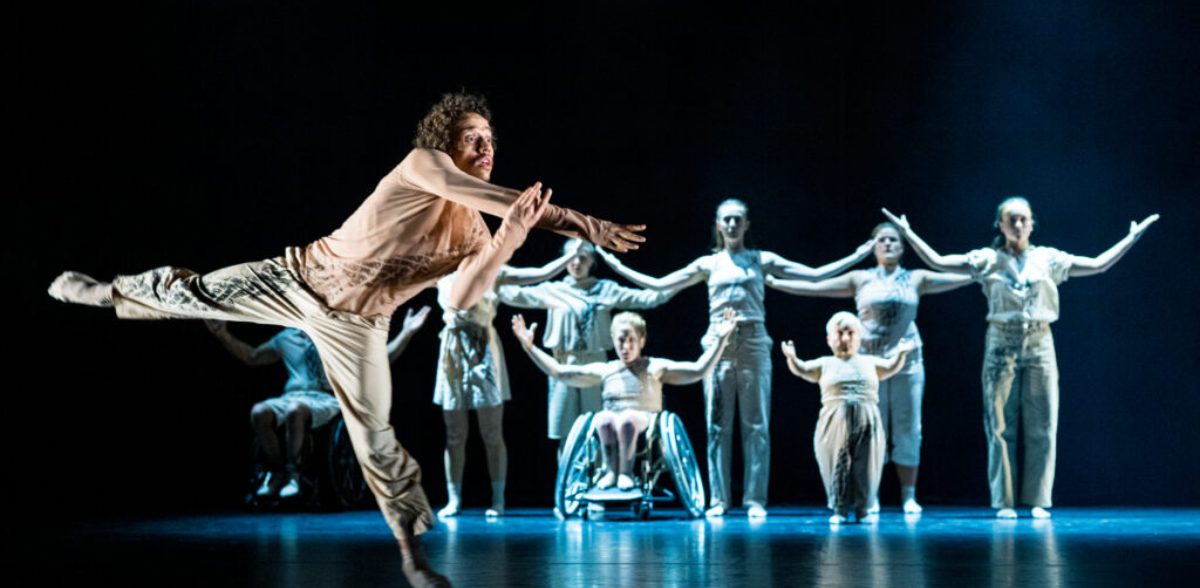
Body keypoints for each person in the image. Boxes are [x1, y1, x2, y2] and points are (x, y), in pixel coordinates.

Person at [47, 92, 645, 587]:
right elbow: (509, 202)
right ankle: (106, 292)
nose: (486, 148)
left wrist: (509, 239)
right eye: (473, 137)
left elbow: (462, 298)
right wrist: (583, 223)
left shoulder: (475, 230)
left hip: (358, 325)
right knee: (197, 292)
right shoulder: (423, 164)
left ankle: (412, 559)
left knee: (374, 433)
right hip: (299, 279)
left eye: (490, 138)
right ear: (446, 142)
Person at [882, 200, 1158, 519]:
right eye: (1010, 220)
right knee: (999, 424)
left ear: (1031, 224)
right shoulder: (988, 259)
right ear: (999, 224)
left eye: (1022, 220)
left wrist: (1131, 237)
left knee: (1043, 421)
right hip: (1002, 339)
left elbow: (1097, 264)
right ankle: (1005, 501)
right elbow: (940, 262)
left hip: (1040, 339)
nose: (1017, 225)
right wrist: (908, 233)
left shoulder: (1047, 258)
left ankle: (1039, 498)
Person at [597, 198, 872, 518]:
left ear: (746, 224)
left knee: (756, 425)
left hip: (753, 342)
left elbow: (813, 275)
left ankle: (755, 499)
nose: (731, 225)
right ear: (717, 224)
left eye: (737, 219)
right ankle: (719, 499)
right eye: (725, 220)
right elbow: (659, 284)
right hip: (719, 344)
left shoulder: (759, 259)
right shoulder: (709, 264)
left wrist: (859, 255)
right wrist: (614, 263)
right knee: (717, 426)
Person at [764, 222, 972, 514]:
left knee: (908, 426)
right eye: (882, 240)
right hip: (864, 362)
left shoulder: (916, 279)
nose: (887, 244)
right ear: (873, 247)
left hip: (906, 358)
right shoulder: (860, 279)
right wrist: (775, 283)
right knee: (867, 427)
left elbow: (959, 277)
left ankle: (908, 495)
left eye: (893, 240)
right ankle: (868, 494)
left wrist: (983, 270)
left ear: (903, 246)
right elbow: (814, 287)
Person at [206, 305, 430, 500]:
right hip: (292, 397)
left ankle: (295, 474)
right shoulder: (287, 338)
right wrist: (223, 335)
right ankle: (275, 470)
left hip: (326, 399)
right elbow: (253, 357)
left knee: (296, 411)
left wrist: (406, 333)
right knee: (259, 411)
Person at [510, 309, 737, 490]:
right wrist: (529, 347)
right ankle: (610, 471)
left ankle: (626, 473)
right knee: (604, 419)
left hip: (645, 426)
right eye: (620, 341)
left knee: (627, 418)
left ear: (642, 341)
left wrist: (721, 340)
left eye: (631, 341)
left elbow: (698, 369)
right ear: (613, 341)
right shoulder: (606, 369)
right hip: (611, 422)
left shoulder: (655, 367)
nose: (625, 347)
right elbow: (560, 372)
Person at [431, 246, 581, 519]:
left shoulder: (492, 273)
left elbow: (538, 274)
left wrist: (571, 255)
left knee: (491, 433)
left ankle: (498, 499)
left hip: (483, 350)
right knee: (454, 434)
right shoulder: (441, 272)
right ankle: (454, 499)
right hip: (452, 351)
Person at [496, 238, 679, 456]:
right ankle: (569, 484)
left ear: (592, 261)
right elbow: (512, 294)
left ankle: (600, 478)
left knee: (600, 426)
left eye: (583, 257)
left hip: (596, 364)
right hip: (563, 364)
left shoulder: (604, 289)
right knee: (566, 432)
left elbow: (648, 298)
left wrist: (678, 283)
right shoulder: (554, 290)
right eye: (571, 257)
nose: (576, 263)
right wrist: (489, 271)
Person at [780, 311, 915, 524]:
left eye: (850, 333)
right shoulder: (825, 363)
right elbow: (802, 369)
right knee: (837, 464)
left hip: (867, 419)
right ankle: (839, 508)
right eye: (840, 333)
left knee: (867, 465)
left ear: (858, 336)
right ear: (829, 338)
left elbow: (890, 367)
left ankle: (864, 509)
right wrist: (792, 358)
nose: (845, 339)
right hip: (835, 421)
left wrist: (901, 354)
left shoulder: (869, 362)